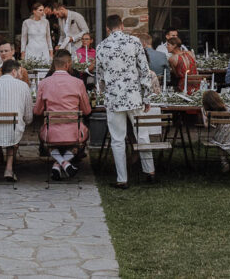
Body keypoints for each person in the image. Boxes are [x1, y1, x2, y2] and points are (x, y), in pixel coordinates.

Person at [95, 14, 154, 188]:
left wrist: (105, 92)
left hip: (114, 99)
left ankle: (122, 179)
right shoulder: (134, 42)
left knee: (117, 139)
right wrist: (147, 97)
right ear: (121, 26)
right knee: (142, 134)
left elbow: (100, 77)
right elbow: (144, 71)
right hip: (134, 96)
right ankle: (149, 171)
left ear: (107, 28)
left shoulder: (101, 46)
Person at [34, 49, 91, 179]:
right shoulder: (78, 83)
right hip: (74, 133)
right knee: (82, 138)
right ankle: (65, 163)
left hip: (51, 133)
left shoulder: (44, 83)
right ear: (67, 65)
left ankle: (58, 163)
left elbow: (37, 111)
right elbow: (87, 110)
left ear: (54, 65)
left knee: (44, 138)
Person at [201, 90, 230, 173]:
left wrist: (203, 113)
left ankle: (224, 162)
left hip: (221, 138)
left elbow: (206, 125)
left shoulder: (209, 112)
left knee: (218, 139)